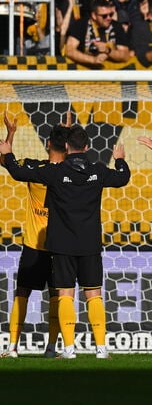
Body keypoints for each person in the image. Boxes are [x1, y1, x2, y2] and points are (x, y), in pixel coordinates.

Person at [0, 125, 130, 360]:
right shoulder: (97, 171)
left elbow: (16, 171)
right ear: (87, 147)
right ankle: (100, 349)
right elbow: (123, 178)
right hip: (89, 244)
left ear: (60, 145)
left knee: (63, 294)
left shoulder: (51, 173)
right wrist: (120, 160)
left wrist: (8, 149)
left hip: (58, 243)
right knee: (93, 294)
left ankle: (65, 349)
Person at [0, 114, 67, 359]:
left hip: (33, 244)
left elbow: (6, 160)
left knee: (22, 294)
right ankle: (51, 348)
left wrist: (11, 133)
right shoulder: (72, 174)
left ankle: (12, 347)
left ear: (47, 144)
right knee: (58, 297)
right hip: (60, 246)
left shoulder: (35, 170)